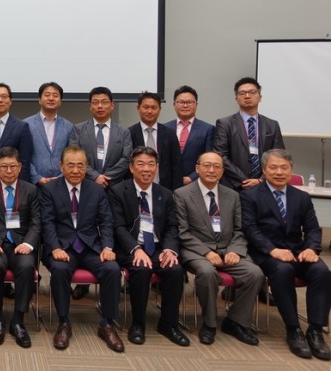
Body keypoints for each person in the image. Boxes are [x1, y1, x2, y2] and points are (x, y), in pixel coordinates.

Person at [241, 149, 331, 361]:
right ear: (264, 170)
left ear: (291, 170)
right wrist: (273, 250)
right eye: (273, 167)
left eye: (284, 167)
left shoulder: (302, 197)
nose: (279, 172)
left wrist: (311, 248)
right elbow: (250, 229)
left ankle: (315, 330)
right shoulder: (249, 196)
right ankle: (293, 329)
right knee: (283, 271)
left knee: (321, 270)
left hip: (297, 250)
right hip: (266, 252)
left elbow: (312, 228)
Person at [39, 146, 124, 352]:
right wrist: (55, 247)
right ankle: (64, 322)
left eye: (80, 165)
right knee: (59, 269)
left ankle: (107, 324)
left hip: (90, 247)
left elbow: (106, 221)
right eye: (70, 165)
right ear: (61, 166)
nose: (76, 170)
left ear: (86, 167)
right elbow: (47, 222)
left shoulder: (96, 190)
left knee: (112, 269)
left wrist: (107, 246)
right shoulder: (50, 189)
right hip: (63, 247)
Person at [175, 151, 262, 346]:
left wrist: (235, 250)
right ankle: (210, 323)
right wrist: (206, 252)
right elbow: (183, 232)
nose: (211, 170)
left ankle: (236, 321)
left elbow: (240, 229)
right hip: (197, 250)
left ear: (222, 171)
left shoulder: (233, 195)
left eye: (216, 166)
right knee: (207, 273)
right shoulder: (181, 194)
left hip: (228, 247)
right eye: (206, 165)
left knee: (255, 273)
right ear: (197, 169)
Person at [109, 147, 189, 347]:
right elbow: (117, 227)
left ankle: (168, 324)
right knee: (141, 269)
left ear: (156, 168)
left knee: (175, 270)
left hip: (158, 247)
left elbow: (172, 226)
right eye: (141, 164)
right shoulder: (118, 191)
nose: (146, 169)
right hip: (131, 247)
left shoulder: (165, 194)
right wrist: (136, 249)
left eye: (151, 164)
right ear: (131, 167)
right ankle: (138, 324)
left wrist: (169, 249)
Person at [68, 86, 132, 299]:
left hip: (113, 188)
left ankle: (112, 277)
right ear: (90, 106)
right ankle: (83, 282)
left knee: (112, 226)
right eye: (95, 102)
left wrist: (106, 178)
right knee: (83, 227)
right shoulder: (78, 129)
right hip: (85, 185)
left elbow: (126, 159)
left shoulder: (123, 132)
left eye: (104, 102)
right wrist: (95, 176)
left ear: (112, 105)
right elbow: (74, 156)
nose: (100, 106)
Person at [0, 147, 40, 348]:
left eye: (13, 166)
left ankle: (18, 320)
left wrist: (28, 243)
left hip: (21, 244)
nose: (9, 171)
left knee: (27, 267)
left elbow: (36, 222)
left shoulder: (30, 190)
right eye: (4, 166)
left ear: (20, 167)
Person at [213, 77, 284, 191]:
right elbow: (221, 156)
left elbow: (279, 156)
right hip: (234, 186)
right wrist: (244, 180)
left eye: (252, 92)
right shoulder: (225, 123)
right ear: (236, 99)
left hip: (265, 186)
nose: (247, 96)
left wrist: (261, 180)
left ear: (260, 97)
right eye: (242, 93)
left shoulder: (272, 125)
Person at [127, 92, 183, 190]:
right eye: (146, 107)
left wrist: (176, 191)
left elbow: (176, 165)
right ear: (138, 108)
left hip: (165, 189)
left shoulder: (169, 134)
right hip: (135, 189)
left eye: (154, 107)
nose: (150, 111)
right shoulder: (129, 133)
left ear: (160, 109)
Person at [24, 82, 74, 186]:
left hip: (61, 184)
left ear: (60, 101)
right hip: (33, 185)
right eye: (47, 95)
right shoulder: (26, 124)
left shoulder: (69, 126)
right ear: (39, 99)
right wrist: (37, 178)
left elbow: (72, 155)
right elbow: (23, 155)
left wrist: (61, 177)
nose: (51, 98)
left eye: (55, 95)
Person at [164, 85, 214, 186]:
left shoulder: (208, 129)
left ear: (196, 104)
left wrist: (192, 177)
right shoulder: (164, 128)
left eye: (189, 102)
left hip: (196, 183)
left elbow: (209, 159)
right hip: (168, 183)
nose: (185, 105)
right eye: (181, 102)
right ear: (174, 105)